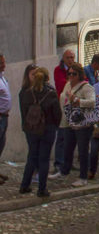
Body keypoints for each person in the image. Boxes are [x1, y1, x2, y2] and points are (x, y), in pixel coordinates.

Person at [50, 62, 95, 187]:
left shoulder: (86, 87)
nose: (71, 76)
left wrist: (78, 100)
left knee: (82, 151)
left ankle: (83, 177)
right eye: (69, 73)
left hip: (82, 123)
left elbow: (92, 102)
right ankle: (64, 171)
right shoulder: (67, 85)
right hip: (69, 121)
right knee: (67, 148)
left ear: (79, 74)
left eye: (74, 74)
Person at [19, 67, 61, 197]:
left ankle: (24, 185)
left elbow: (24, 112)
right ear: (47, 78)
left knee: (32, 156)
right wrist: (55, 126)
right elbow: (57, 114)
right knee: (44, 159)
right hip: (47, 129)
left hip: (32, 129)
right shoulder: (51, 94)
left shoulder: (27, 93)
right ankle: (42, 189)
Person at [53, 49, 76, 171]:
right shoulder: (59, 70)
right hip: (62, 106)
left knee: (72, 137)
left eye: (72, 57)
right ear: (64, 58)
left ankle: (69, 162)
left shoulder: (76, 69)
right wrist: (74, 82)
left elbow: (84, 81)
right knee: (61, 135)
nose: (71, 60)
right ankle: (58, 162)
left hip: (74, 106)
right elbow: (61, 85)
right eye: (68, 58)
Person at [0, 53, 11, 183]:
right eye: (1, 63)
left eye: (4, 62)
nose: (4, 65)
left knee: (1, 145)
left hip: (4, 117)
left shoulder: (2, 77)